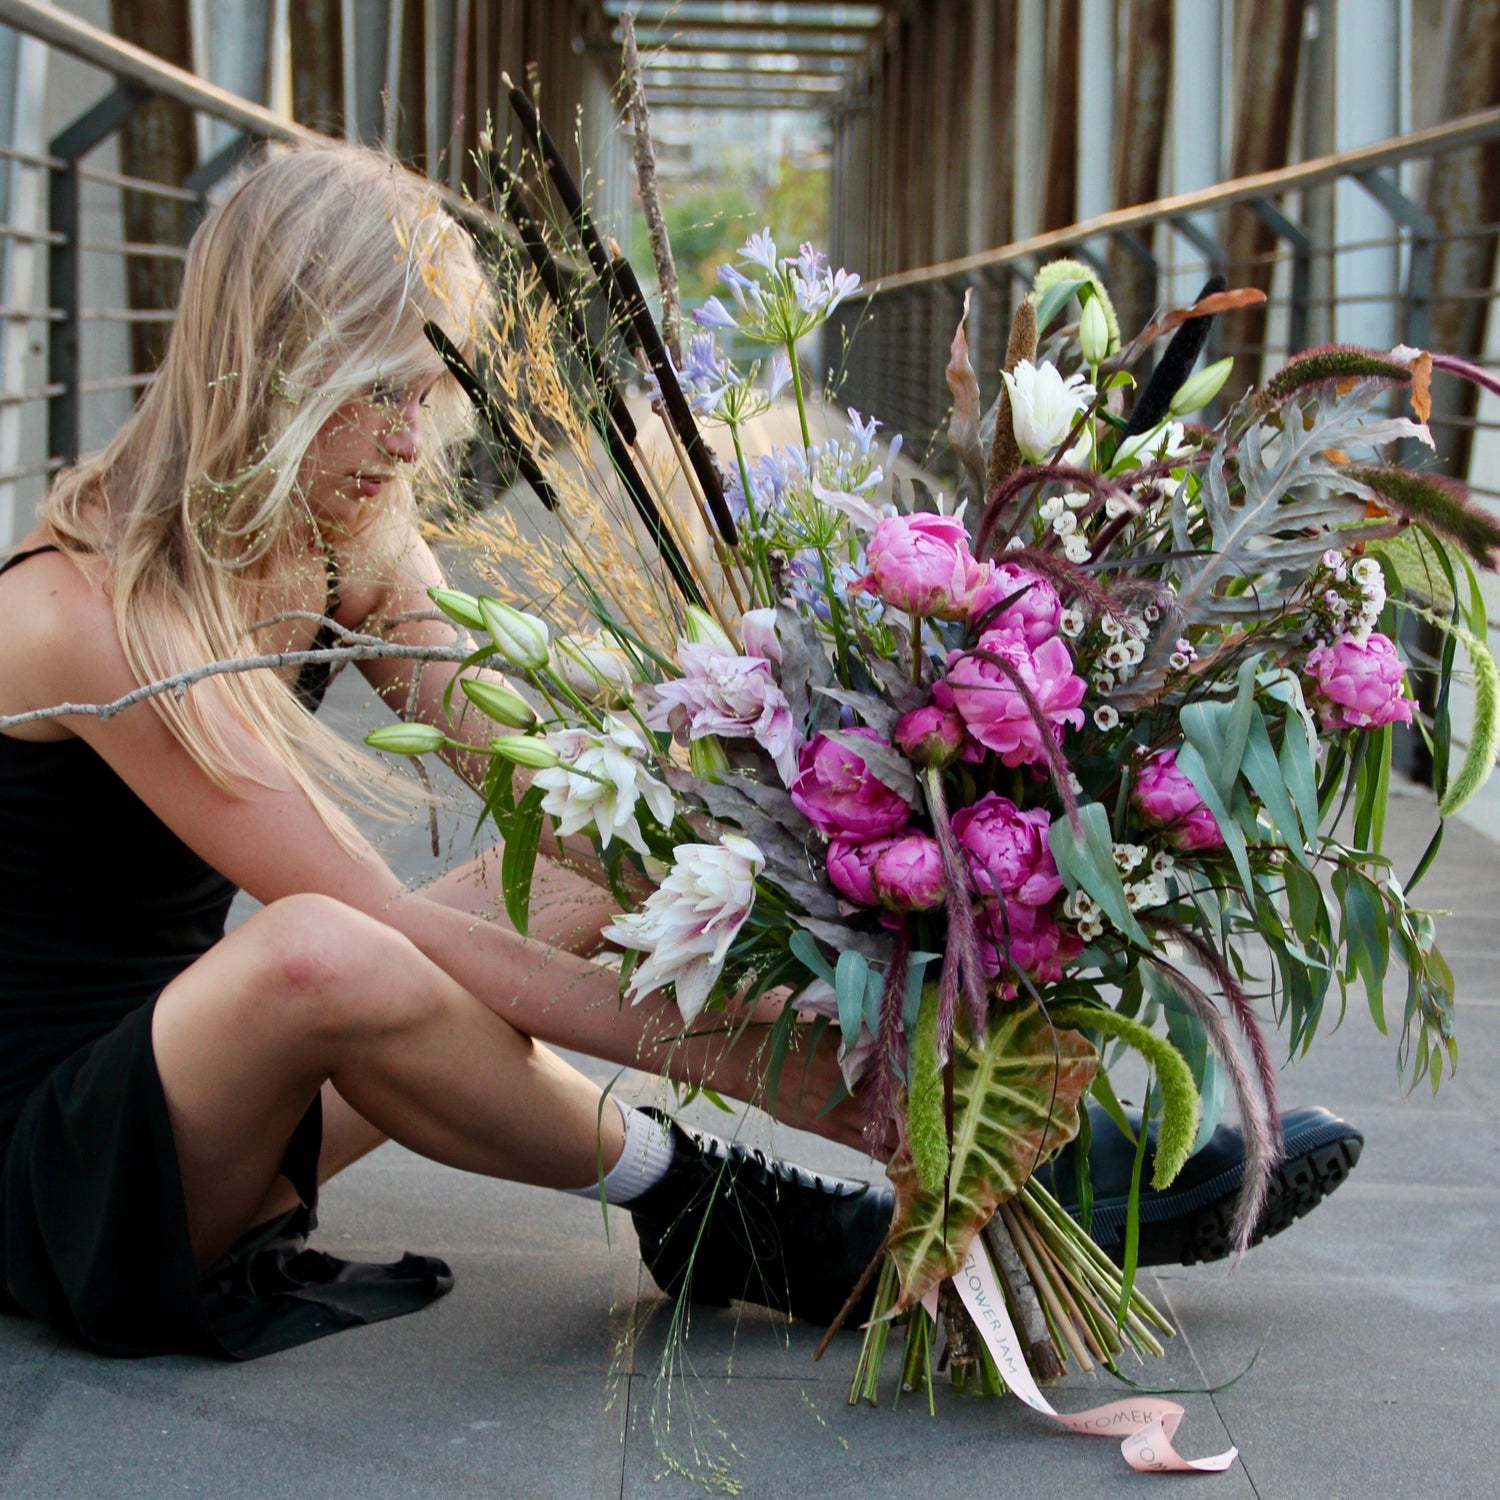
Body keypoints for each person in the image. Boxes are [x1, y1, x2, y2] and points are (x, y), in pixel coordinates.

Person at [0, 142, 1355, 1361]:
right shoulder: (81, 612)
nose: (414, 440)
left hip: (221, 1113)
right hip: (54, 1177)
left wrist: (845, 981)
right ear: (276, 364)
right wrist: (795, 1089)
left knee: (604, 846)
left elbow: (558, 808)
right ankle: (725, 1210)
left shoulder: (339, 533)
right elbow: (357, 924)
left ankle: (985, 1127)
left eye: (429, 394)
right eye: (380, 395)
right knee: (321, 945)